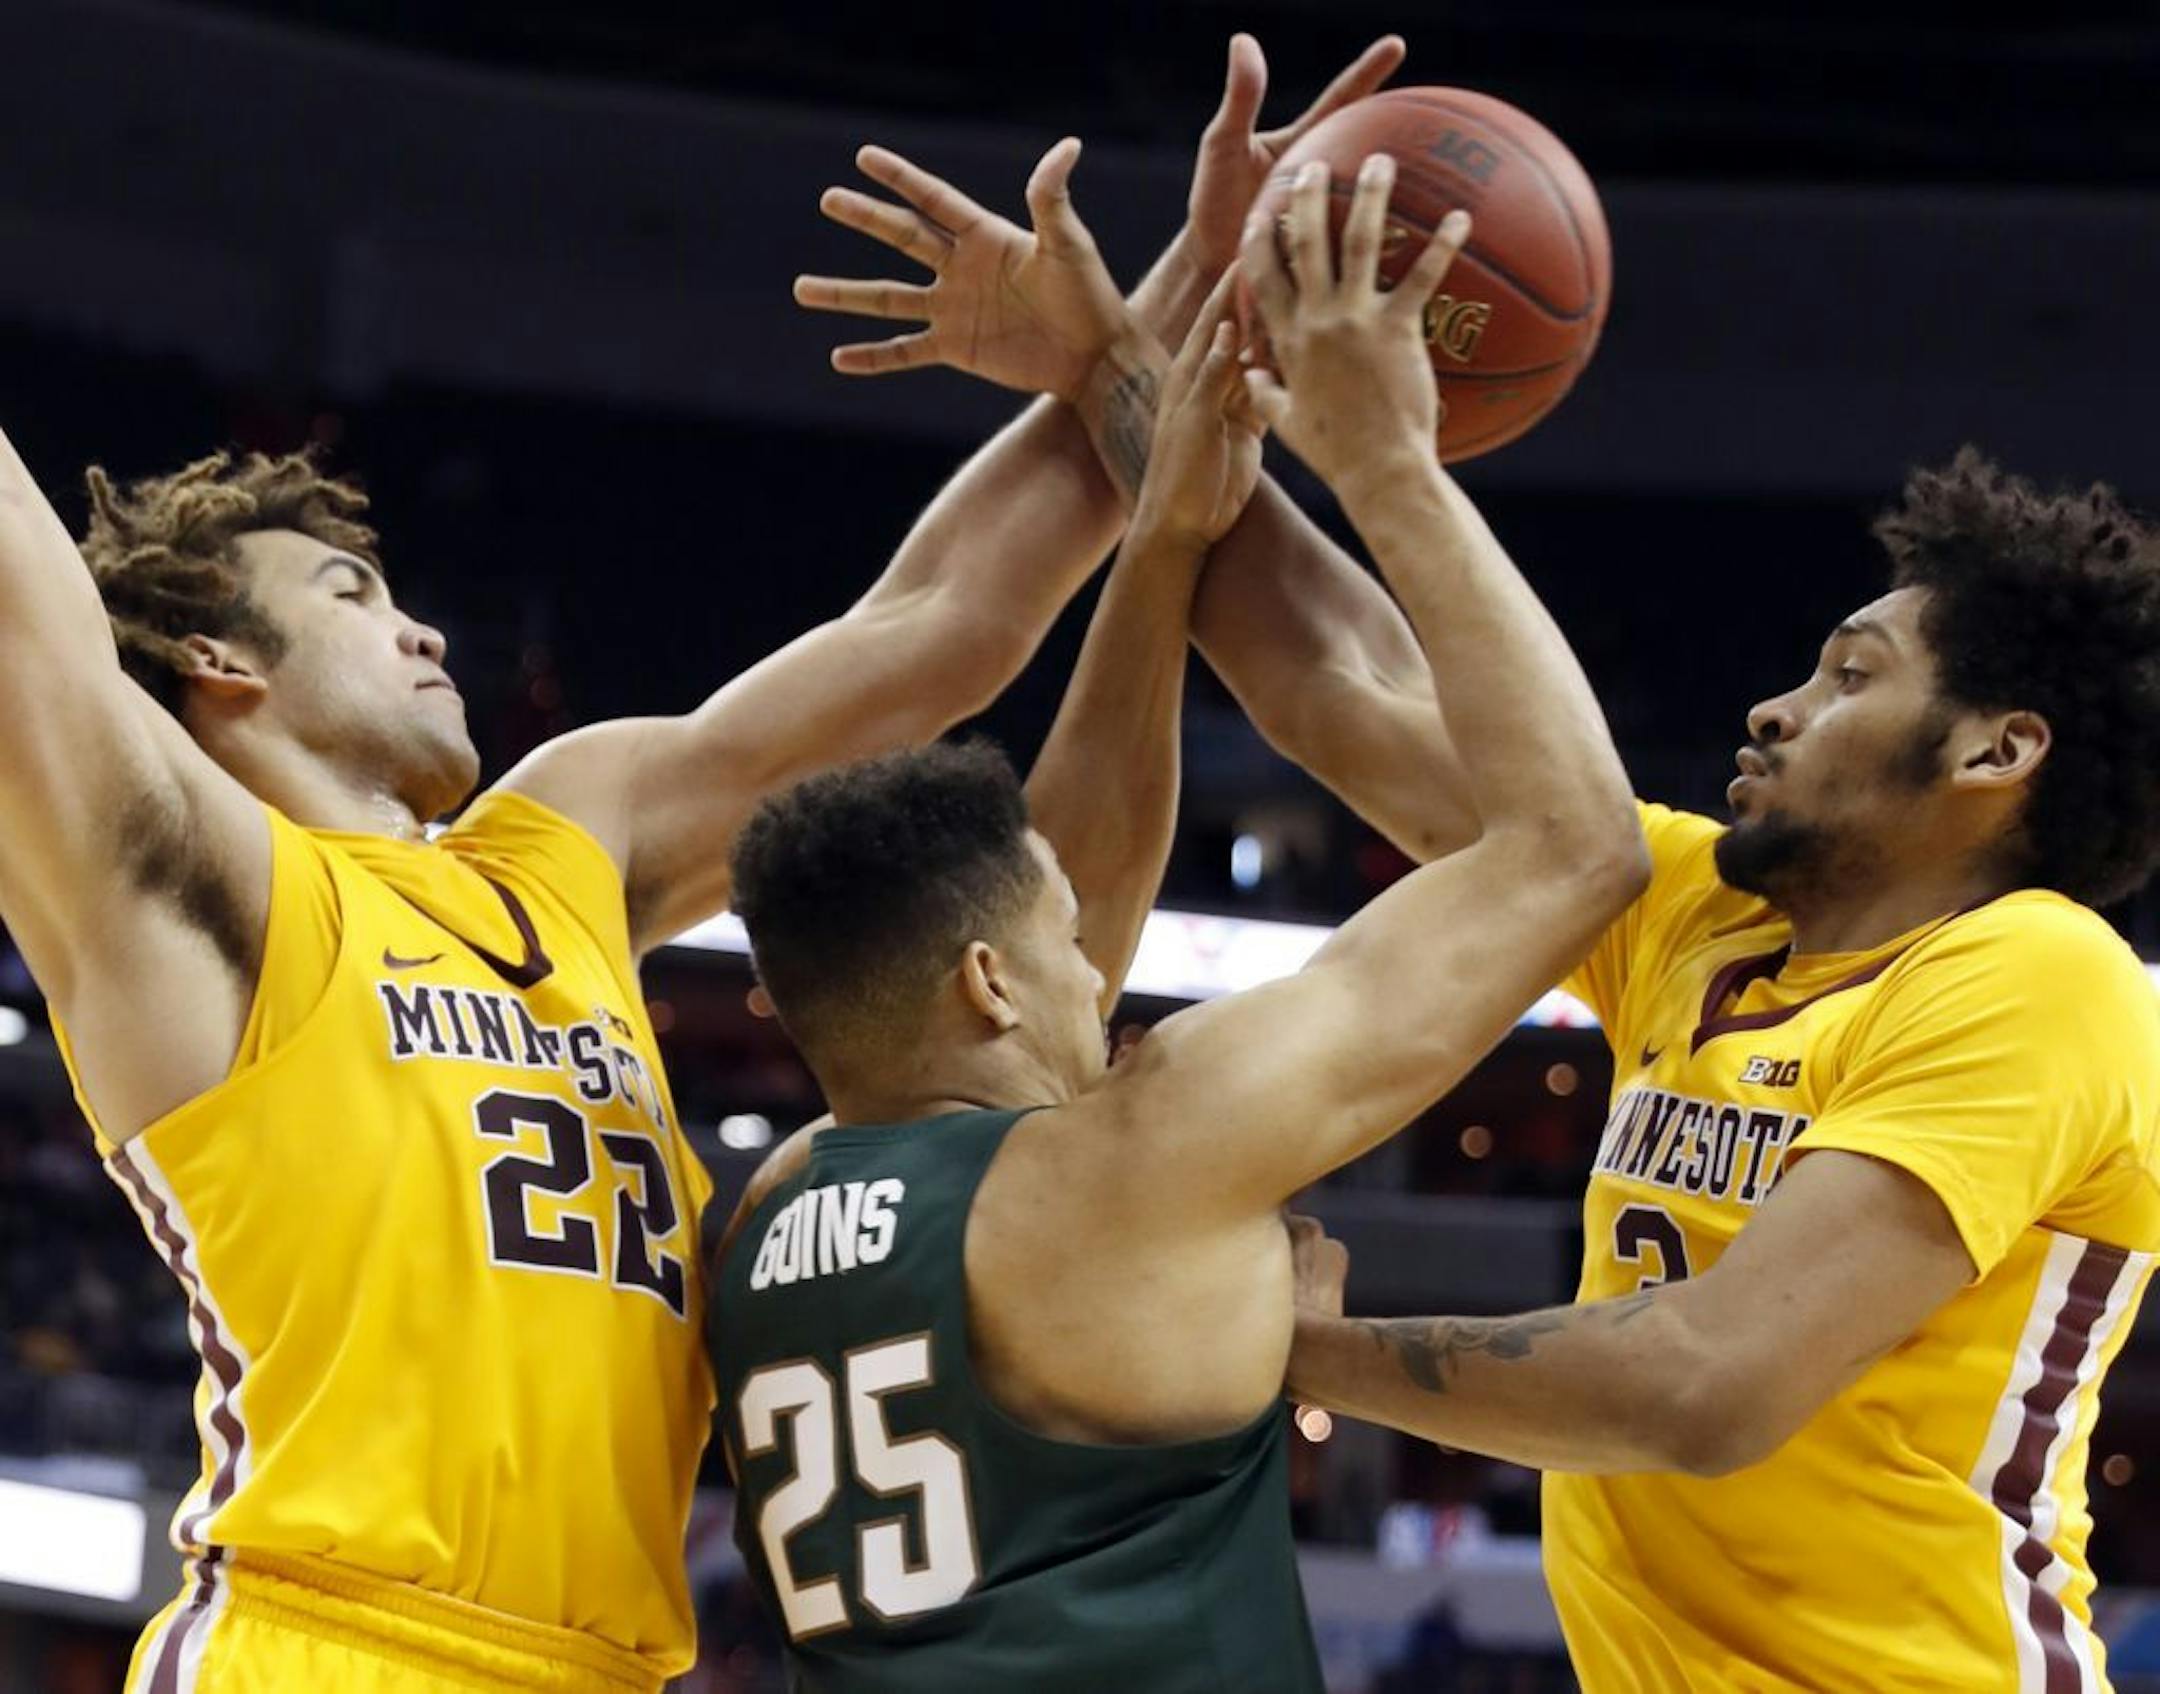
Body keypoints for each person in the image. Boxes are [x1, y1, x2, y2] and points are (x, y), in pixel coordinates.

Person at [0, 115, 1271, 1694]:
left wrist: (1182, 300)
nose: (427, 633)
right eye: (351, 600)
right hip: (332, 1639)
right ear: (219, 665)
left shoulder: (562, 840)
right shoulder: (191, 881)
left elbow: (943, 625)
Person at [710, 155, 1647, 1689]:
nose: (1110, 965)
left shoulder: (768, 1212)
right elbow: (1573, 847)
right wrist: (1388, 460)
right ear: (993, 986)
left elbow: (1055, 889)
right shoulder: (1138, 1156)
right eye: (1073, 952)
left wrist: (1160, 549)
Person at [1282, 450, 2160, 1693]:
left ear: (1993, 751)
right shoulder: (1700, 914)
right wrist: (1133, 391)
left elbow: (1705, 1383)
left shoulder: (2040, 971)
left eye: (1852, 675)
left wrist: (1296, 1350)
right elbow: (1343, 685)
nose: (1776, 708)